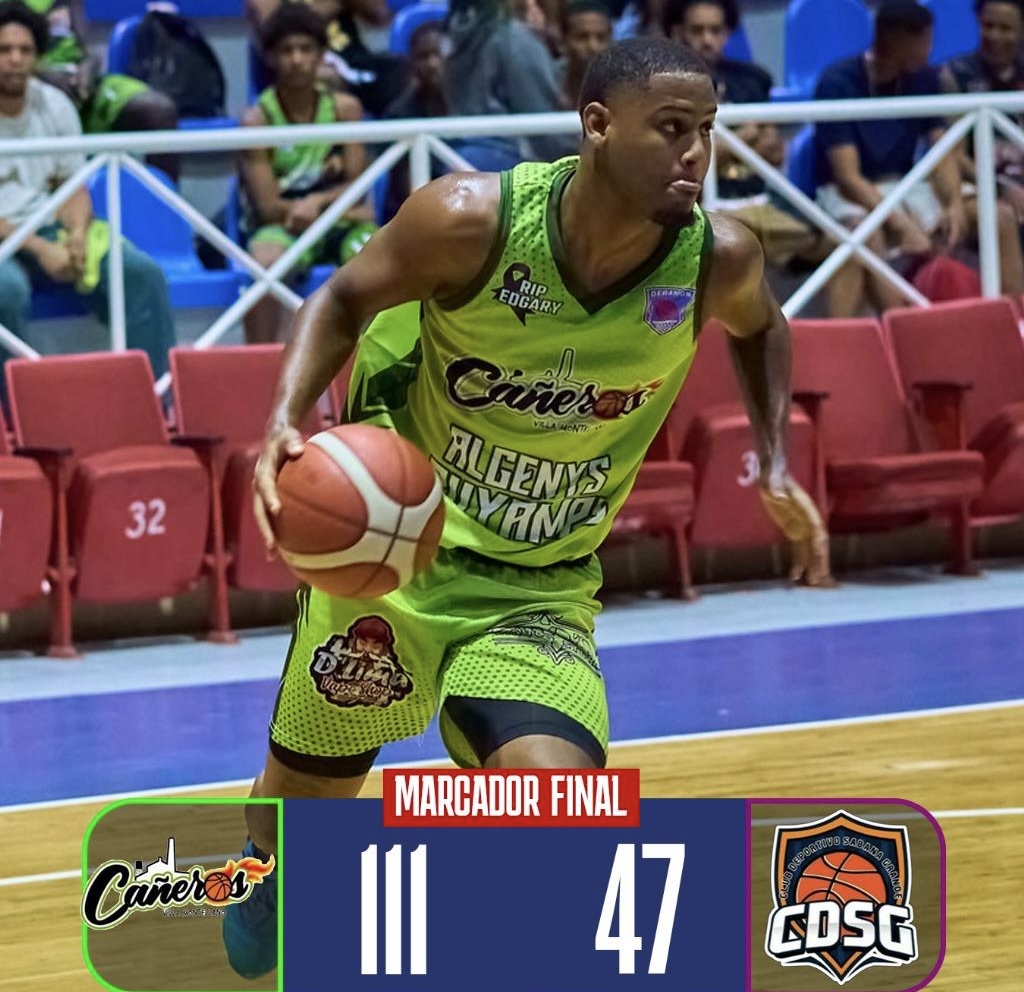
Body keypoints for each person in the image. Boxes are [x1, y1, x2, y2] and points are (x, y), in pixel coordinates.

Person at [222, 36, 832, 980]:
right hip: (395, 565)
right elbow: (340, 299)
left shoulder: (716, 257)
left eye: (708, 129)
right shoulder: (469, 221)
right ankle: (270, 869)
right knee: (303, 806)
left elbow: (764, 328)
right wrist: (282, 422)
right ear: (597, 125)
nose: (696, 154)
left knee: (556, 812)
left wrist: (776, 458)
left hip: (536, 590)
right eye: (672, 128)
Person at [0, 1, 176, 381]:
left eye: (25, 50)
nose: (14, 59)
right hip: (8, 238)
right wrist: (41, 249)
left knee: (140, 274)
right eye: (4, 50)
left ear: (38, 57)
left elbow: (72, 185)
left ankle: (155, 400)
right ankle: (9, 414)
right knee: (5, 291)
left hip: (50, 226)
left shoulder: (55, 105)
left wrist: (77, 234)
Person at [814, 0, 1023, 317]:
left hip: (907, 184)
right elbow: (848, 177)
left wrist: (953, 203)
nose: (930, 50)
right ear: (897, 41)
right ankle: (903, 330)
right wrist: (901, 223)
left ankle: (1015, 323)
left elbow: (942, 151)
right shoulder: (838, 81)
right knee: (864, 236)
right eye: (924, 42)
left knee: (998, 216)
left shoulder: (924, 78)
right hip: (849, 193)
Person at [239, 2, 376, 344]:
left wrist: (317, 204)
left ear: (321, 55)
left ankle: (378, 362)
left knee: (376, 254)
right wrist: (330, 208)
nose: (297, 59)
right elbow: (268, 207)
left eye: (305, 49)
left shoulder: (345, 110)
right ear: (270, 57)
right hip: (285, 226)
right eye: (287, 50)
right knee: (264, 266)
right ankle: (260, 363)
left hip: (338, 222)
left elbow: (357, 186)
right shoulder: (257, 121)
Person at [664, 0, 823, 272]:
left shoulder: (753, 79)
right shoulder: (665, 86)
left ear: (727, 33)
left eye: (716, 31)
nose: (707, 40)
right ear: (679, 32)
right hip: (702, 208)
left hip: (762, 203)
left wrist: (721, 148)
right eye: (697, 31)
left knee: (842, 245)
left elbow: (774, 153)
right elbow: (684, 161)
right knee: (738, 241)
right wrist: (748, 135)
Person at [21, 0, 181, 180]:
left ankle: (160, 197)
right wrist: (44, 76)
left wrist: (87, 70)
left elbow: (87, 50)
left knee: (160, 111)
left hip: (80, 82)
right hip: (29, 84)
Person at [940, 0, 1024, 222]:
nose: (994, 36)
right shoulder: (954, 75)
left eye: (1005, 29)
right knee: (1001, 216)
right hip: (976, 185)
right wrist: (999, 188)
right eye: (988, 26)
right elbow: (953, 155)